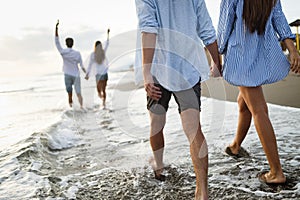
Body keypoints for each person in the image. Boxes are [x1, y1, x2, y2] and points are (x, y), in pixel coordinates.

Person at [135, 0, 222, 199]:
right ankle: (202, 191)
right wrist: (216, 63)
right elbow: (207, 29)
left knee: (156, 124)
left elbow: (149, 29)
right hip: (188, 69)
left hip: (158, 69)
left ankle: (158, 165)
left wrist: (146, 73)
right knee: (194, 129)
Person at [218, 0, 300, 184]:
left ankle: (276, 172)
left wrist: (218, 56)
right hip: (261, 54)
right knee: (244, 101)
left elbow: (225, 26)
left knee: (258, 109)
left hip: (240, 55)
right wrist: (292, 50)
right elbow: (279, 18)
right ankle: (235, 146)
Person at [55, 20, 86, 108]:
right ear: (73, 44)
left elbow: (57, 42)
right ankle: (82, 107)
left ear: (66, 44)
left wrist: (56, 29)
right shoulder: (77, 53)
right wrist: (86, 73)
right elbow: (82, 65)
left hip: (67, 75)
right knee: (79, 93)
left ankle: (71, 109)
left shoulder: (63, 52)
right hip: (76, 75)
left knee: (70, 94)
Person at [85, 29, 110, 108]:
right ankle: (104, 103)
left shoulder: (93, 54)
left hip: (98, 75)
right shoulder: (103, 52)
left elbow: (89, 65)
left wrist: (87, 74)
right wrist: (108, 34)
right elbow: (107, 44)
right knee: (104, 90)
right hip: (104, 73)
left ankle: (103, 101)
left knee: (98, 91)